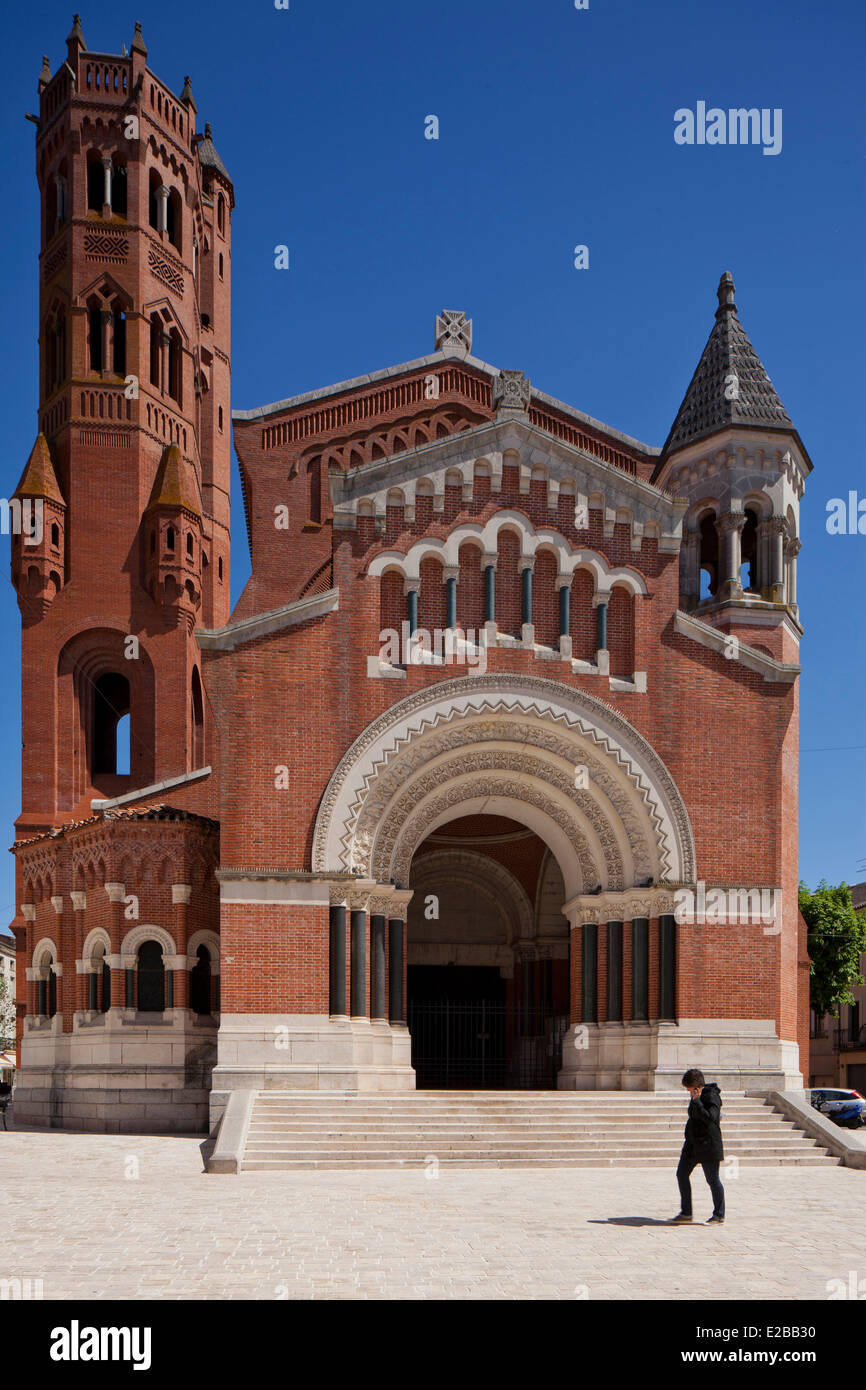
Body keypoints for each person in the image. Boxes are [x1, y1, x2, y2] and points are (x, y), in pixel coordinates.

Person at [670, 1067, 725, 1225]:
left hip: (708, 1145)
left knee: (713, 1180)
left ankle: (719, 1214)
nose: (688, 1091)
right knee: (681, 1174)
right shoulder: (695, 1096)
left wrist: (697, 1101)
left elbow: (711, 1118)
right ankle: (686, 1212)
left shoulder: (711, 1096)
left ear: (697, 1086)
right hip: (692, 1145)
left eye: (689, 1088)